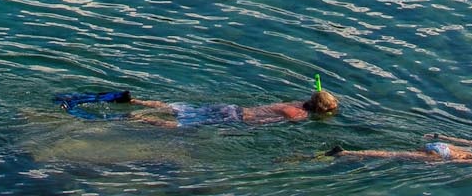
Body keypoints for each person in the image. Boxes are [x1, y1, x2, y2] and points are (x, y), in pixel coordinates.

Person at [121, 89, 339, 128]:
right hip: (236, 118)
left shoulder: (296, 103)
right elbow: (264, 123)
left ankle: (136, 102)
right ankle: (140, 120)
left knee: (181, 109)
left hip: (231, 107)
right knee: (183, 124)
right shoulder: (298, 115)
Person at [326, 136, 472, 164]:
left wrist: (440, 137)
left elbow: (465, 140)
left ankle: (352, 154)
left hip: (441, 146)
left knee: (398, 151)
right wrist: (447, 162)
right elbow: (470, 161)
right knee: (393, 155)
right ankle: (345, 153)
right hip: (443, 155)